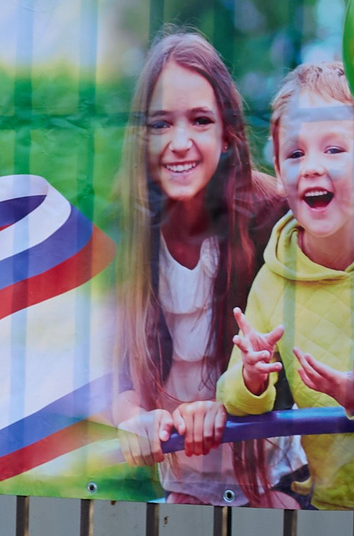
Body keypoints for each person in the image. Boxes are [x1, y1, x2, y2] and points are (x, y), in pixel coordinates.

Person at [107, 32, 298, 506]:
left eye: (199, 120)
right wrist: (136, 417)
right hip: (186, 482)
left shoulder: (270, 215)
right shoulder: (134, 229)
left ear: (227, 133)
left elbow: (299, 360)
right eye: (161, 124)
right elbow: (122, 378)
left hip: (271, 476)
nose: (180, 143)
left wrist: (228, 406)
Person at [213, 61, 354, 511]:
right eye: (296, 153)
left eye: (333, 150)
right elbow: (233, 397)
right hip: (329, 507)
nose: (312, 168)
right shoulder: (275, 276)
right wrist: (250, 377)